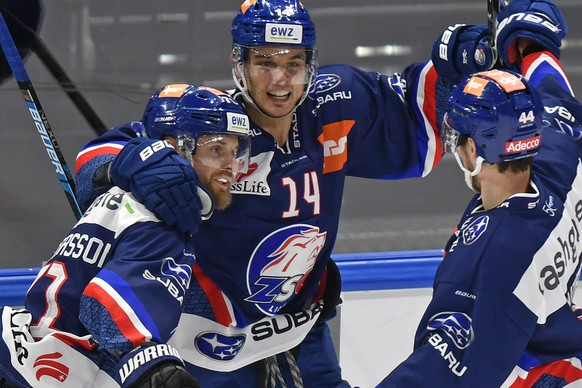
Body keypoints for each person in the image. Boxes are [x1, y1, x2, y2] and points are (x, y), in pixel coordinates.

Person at [72, 0, 565, 386]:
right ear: (238, 63)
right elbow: (98, 156)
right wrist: (129, 160)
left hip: (301, 329)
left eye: (294, 62)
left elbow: (422, 120)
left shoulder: (335, 104)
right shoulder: (209, 123)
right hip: (212, 341)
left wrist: (462, 61)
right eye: (265, 62)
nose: (281, 79)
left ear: (311, 62)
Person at [378, 3, 582, 386]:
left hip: (533, 372)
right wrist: (527, 46)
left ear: (474, 150)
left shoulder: (490, 258)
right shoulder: (562, 157)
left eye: (457, 138)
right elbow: (555, 95)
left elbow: (442, 370)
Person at [0, 83, 251, 388]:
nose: (230, 166)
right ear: (174, 148)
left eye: (235, 151)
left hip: (19, 346)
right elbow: (105, 308)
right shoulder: (161, 221)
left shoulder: (124, 196)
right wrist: (156, 369)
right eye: (215, 149)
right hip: (49, 371)